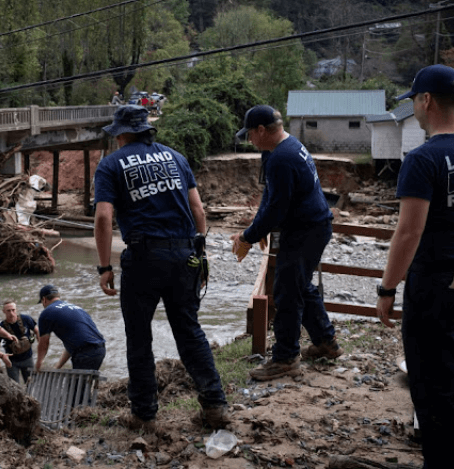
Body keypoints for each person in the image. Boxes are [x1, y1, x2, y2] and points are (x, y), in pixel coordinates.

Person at [376, 65, 454, 469]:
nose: (413, 107)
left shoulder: (424, 159)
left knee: (431, 390)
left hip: (437, 287)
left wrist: (387, 288)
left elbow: (408, 233)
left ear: (426, 100)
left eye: (413, 99)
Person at [93, 105, 230, 430]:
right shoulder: (176, 158)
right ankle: (215, 407)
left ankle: (144, 414)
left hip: (144, 259)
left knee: (139, 337)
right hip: (185, 256)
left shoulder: (111, 165)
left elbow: (102, 217)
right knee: (189, 331)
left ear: (121, 134)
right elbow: (198, 210)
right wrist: (199, 252)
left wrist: (104, 266)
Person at [231, 104, 340, 382]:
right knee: (300, 285)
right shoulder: (281, 149)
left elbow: (276, 208)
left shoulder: (282, 158)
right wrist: (254, 230)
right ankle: (325, 342)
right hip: (312, 225)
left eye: (251, 135)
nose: (250, 141)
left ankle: (285, 358)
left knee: (287, 292)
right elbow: (270, 197)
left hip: (306, 230)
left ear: (261, 130)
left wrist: (247, 235)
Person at [35, 285, 106, 371]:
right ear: (57, 296)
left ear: (44, 299)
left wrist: (38, 365)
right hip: (100, 350)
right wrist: (57, 367)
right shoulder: (76, 308)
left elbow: (44, 344)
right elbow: (71, 347)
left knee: (78, 384)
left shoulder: (47, 312)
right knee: (84, 382)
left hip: (85, 352)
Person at [0, 301, 39, 384]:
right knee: (14, 387)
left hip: (28, 358)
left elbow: (37, 332)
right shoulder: (1, 327)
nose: (11, 313)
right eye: (8, 311)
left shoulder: (26, 319)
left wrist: (40, 352)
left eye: (13, 310)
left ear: (16, 309)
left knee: (32, 384)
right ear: (3, 311)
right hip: (12, 362)